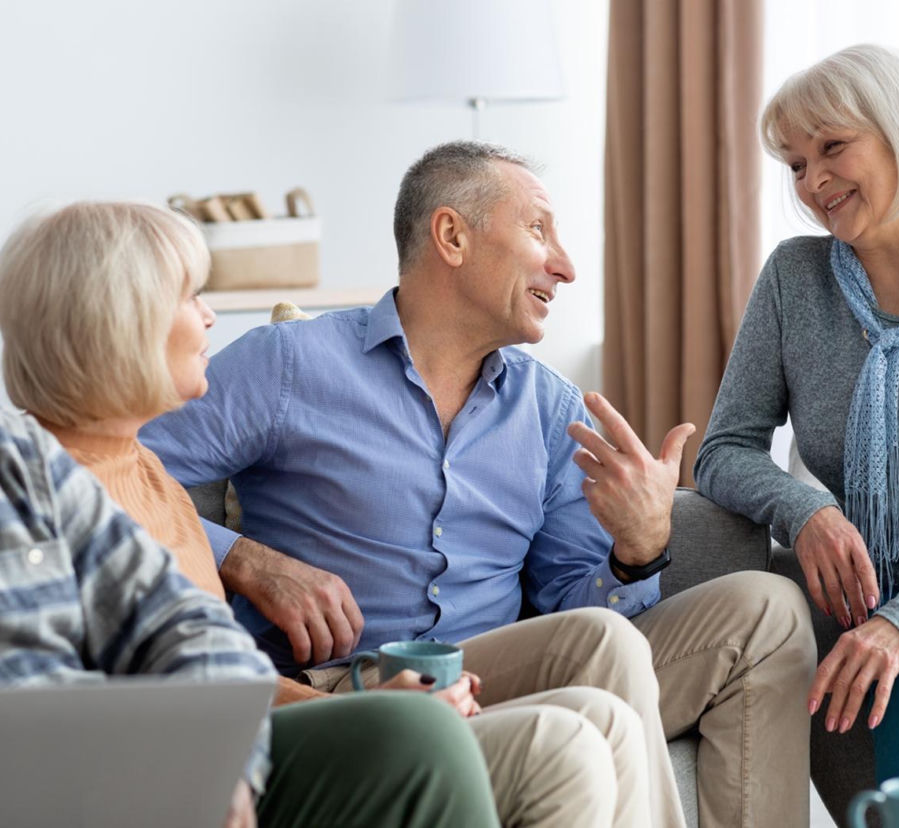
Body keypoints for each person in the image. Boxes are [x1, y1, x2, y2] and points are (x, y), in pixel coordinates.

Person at [142, 141, 816, 827]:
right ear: (452, 236)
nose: (566, 266)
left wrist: (637, 551)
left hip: (500, 671)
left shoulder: (551, 411)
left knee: (770, 608)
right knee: (600, 642)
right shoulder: (290, 364)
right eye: (537, 230)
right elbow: (107, 480)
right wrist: (244, 560)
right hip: (344, 683)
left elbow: (573, 600)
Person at [0, 200, 649, 827]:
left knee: (603, 713)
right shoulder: (44, 488)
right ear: (119, 323)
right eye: (190, 297)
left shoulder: (146, 479)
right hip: (179, 763)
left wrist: (637, 548)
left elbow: (206, 661)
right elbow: (51, 707)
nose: (210, 317)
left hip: (242, 736)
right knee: (535, 742)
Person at [694, 43, 899, 785]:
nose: (813, 180)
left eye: (832, 148)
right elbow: (724, 449)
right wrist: (808, 511)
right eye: (795, 163)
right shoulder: (794, 281)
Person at [0, 408, 500, 828]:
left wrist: (227, 752)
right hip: (100, 763)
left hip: (213, 725)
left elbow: (190, 628)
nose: (211, 317)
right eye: (189, 298)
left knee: (578, 646)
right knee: (458, 737)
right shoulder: (61, 466)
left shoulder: (37, 459)